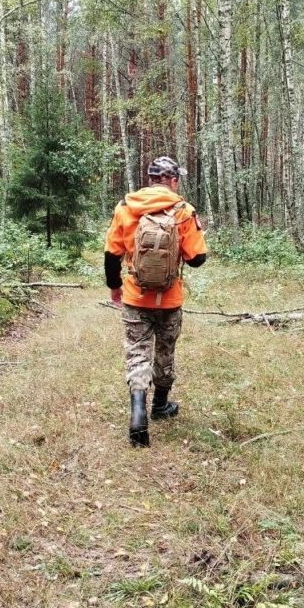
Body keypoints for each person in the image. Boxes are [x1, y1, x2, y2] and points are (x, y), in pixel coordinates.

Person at [104, 156, 207, 447]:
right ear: (173, 181)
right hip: (170, 298)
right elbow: (197, 259)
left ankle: (138, 415)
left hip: (135, 296)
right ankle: (160, 405)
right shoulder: (184, 210)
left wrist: (115, 287)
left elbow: (111, 255)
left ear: (150, 180)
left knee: (137, 352)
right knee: (165, 350)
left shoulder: (126, 207)